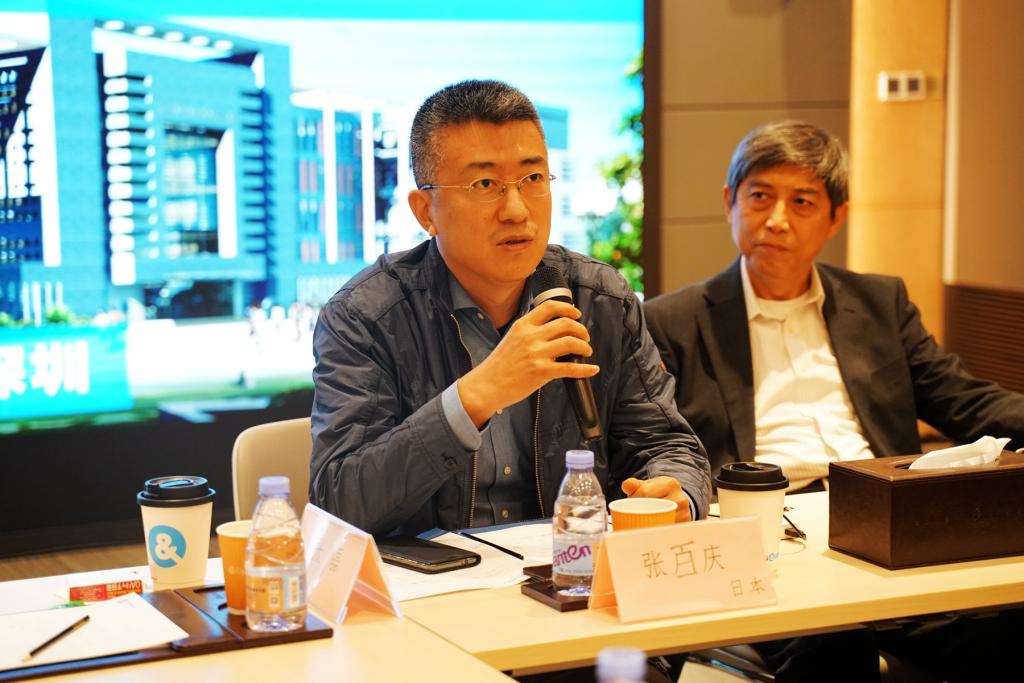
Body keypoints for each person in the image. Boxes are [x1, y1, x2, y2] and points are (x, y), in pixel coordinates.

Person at [644, 120, 1024, 682]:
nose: (777, 220)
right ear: (730, 203)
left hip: (887, 527)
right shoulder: (671, 321)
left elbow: (963, 400)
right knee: (834, 651)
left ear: (835, 217)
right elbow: (658, 443)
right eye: (760, 196)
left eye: (802, 202)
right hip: (771, 539)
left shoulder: (879, 303)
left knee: (1006, 630)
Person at [309, 79, 710, 540]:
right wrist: (476, 396)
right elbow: (339, 500)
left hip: (570, 567)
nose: (517, 210)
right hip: (430, 579)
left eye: (533, 179)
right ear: (425, 211)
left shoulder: (600, 298)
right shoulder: (366, 317)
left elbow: (666, 442)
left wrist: (676, 489)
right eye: (485, 184)